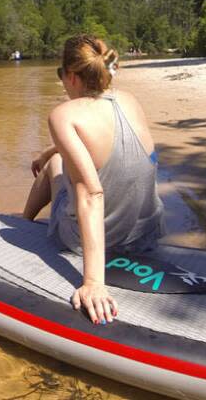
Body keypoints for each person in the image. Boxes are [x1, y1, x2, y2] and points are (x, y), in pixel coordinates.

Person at [23, 34, 164, 326]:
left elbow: (91, 194)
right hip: (146, 233)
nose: (62, 82)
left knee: (56, 164)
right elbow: (107, 139)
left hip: (98, 240)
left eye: (60, 75)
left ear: (72, 76)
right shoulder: (129, 100)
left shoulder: (63, 115)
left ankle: (25, 226)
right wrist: (51, 147)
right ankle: (28, 222)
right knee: (58, 156)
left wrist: (93, 282)